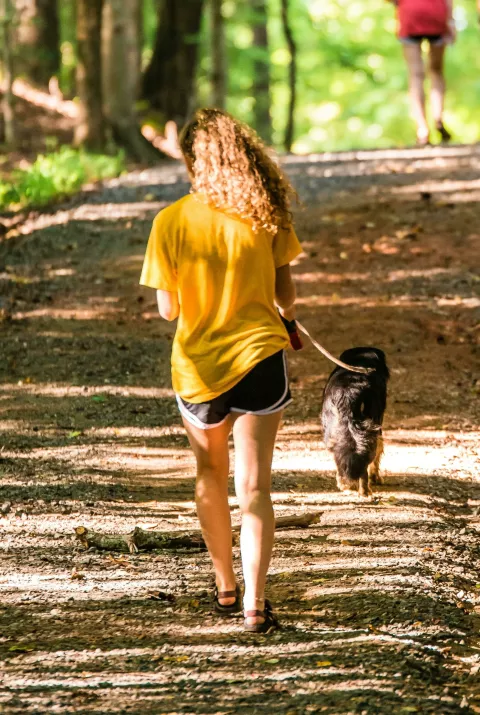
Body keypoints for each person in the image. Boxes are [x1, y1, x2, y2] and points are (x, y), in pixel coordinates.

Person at [140, 108, 302, 633]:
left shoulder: (170, 221)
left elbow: (168, 310)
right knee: (255, 487)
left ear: (192, 161)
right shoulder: (265, 213)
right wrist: (285, 317)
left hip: (199, 367)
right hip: (260, 358)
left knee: (209, 474)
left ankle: (225, 588)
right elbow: (286, 296)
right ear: (244, 156)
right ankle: (257, 602)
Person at [390, 0, 455, 145]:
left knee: (415, 75)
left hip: (410, 14)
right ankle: (438, 118)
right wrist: (451, 21)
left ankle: (422, 128)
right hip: (436, 15)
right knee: (436, 71)